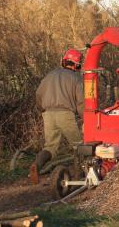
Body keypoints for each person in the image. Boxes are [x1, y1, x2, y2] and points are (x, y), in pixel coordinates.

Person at [29, 48, 85, 184]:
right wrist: (85, 118)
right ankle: (80, 176)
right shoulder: (76, 78)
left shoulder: (50, 75)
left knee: (50, 147)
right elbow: (81, 102)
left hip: (48, 114)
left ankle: (36, 165)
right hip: (65, 114)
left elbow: (38, 94)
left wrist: (42, 109)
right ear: (77, 65)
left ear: (64, 61)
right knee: (79, 146)